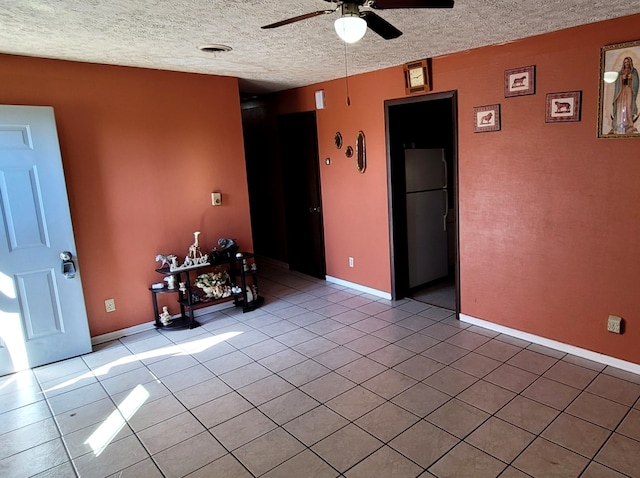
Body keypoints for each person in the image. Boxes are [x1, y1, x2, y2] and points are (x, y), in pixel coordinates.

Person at [610, 56, 639, 134]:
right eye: (625, 62)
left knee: (628, 106)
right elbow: (617, 83)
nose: (626, 64)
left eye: (628, 62)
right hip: (621, 91)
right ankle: (619, 123)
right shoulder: (620, 72)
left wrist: (632, 77)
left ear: (630, 62)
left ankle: (629, 123)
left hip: (629, 90)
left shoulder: (634, 71)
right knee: (620, 106)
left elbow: (636, 82)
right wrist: (621, 78)